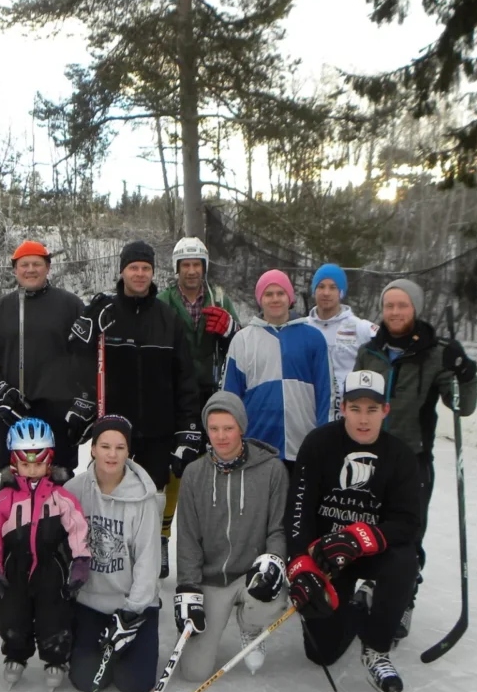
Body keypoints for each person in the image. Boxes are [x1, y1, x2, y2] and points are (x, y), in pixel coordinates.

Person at [284, 370, 425, 692]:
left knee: (406, 560)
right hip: (328, 557)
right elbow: (298, 511)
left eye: (372, 410)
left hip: (373, 553)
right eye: (356, 409)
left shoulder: (401, 456)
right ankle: (358, 606)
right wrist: (300, 564)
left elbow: (408, 522)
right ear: (343, 407)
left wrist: (358, 537)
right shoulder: (318, 443)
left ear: (385, 411)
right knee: (321, 653)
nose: (364, 419)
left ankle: (377, 649)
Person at [352, 278, 477, 637]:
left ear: (415, 309)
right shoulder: (370, 352)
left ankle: (402, 600)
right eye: (389, 306)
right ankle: (370, 588)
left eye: (402, 305)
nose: (394, 312)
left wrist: (465, 372)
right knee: (366, 529)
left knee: (407, 537)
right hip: (369, 457)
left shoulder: (436, 353)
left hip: (412, 460)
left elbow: (461, 406)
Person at [67, 240, 201, 580]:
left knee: (153, 493)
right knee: (111, 489)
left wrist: (187, 426)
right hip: (115, 427)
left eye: (145, 268)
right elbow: (76, 354)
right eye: (133, 267)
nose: (139, 274)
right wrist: (89, 319)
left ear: (153, 272)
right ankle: (111, 551)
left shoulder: (168, 318)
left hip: (158, 426)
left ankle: (152, 546)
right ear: (122, 271)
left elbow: (185, 375)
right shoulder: (106, 312)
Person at [174, 392, 289, 682]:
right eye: (214, 429)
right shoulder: (193, 474)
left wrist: (274, 561)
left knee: (271, 599)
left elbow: (278, 528)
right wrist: (188, 586)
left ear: (242, 427)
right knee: (194, 673)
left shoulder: (272, 470)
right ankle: (222, 614)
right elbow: (187, 537)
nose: (221, 436)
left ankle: (252, 626)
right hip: (212, 579)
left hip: (252, 575)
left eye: (228, 428)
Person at [0, 418, 91, 691]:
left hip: (50, 569)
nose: (32, 470)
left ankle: (55, 656)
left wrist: (80, 561)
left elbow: (78, 528)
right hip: (14, 569)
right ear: (14, 464)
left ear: (50, 462)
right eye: (25, 464)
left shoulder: (61, 497)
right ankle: (15, 654)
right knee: (13, 614)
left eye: (39, 463)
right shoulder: (3, 500)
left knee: (53, 614)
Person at [155, 236, 240, 572]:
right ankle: (162, 537)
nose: (191, 271)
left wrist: (230, 328)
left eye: (196, 264)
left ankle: (208, 544)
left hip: (210, 391)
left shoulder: (219, 298)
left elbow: (241, 342)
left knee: (210, 469)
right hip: (175, 393)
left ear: (204, 266)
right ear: (176, 268)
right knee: (175, 468)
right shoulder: (163, 301)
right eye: (185, 265)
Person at [64, 415, 162, 692]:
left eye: (120, 447)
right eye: (105, 446)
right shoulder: (74, 491)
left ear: (128, 451)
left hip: (133, 607)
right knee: (86, 680)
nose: (112, 454)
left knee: (134, 685)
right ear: (92, 449)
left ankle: (132, 651)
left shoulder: (144, 498)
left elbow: (148, 561)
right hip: (90, 603)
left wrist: (131, 612)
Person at [0, 240, 84, 484]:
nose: (30, 269)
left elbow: (87, 357)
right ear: (15, 270)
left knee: (59, 480)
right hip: (14, 409)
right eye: (24, 265)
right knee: (13, 480)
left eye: (37, 264)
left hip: (58, 410)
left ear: (48, 268)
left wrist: (82, 400)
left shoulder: (71, 305)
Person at [222, 269, 331, 471]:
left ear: (290, 297)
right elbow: (230, 397)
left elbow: (326, 394)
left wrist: (323, 439)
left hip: (302, 445)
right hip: (256, 446)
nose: (275, 299)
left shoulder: (313, 338)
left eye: (280, 293)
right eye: (268, 294)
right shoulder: (243, 340)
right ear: (260, 299)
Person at [306, 264, 378, 422]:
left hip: (346, 415)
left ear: (341, 292)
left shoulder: (359, 327)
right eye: (321, 286)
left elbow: (389, 343)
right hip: (310, 413)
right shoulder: (303, 327)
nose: (326, 293)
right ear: (314, 291)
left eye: (333, 287)